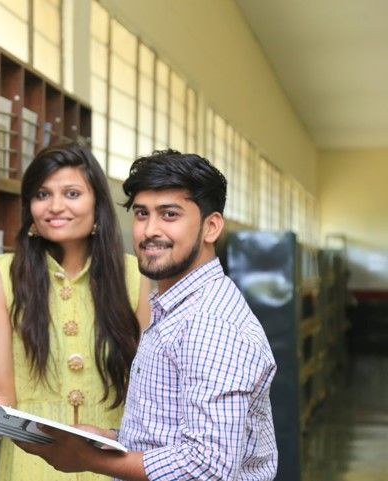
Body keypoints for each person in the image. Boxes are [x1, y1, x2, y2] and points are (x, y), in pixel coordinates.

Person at [18, 150, 278, 481]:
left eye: (169, 215)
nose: (149, 230)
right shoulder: (174, 308)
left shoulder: (210, 325)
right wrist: (109, 439)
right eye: (142, 214)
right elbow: (168, 432)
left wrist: (88, 460)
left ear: (211, 227)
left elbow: (207, 467)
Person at [0, 142, 151, 481]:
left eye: (72, 193)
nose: (55, 207)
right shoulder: (1, 274)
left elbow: (147, 391)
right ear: (30, 208)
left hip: (113, 465)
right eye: (42, 195)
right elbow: (0, 391)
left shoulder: (135, 275)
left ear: (97, 204)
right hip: (31, 467)